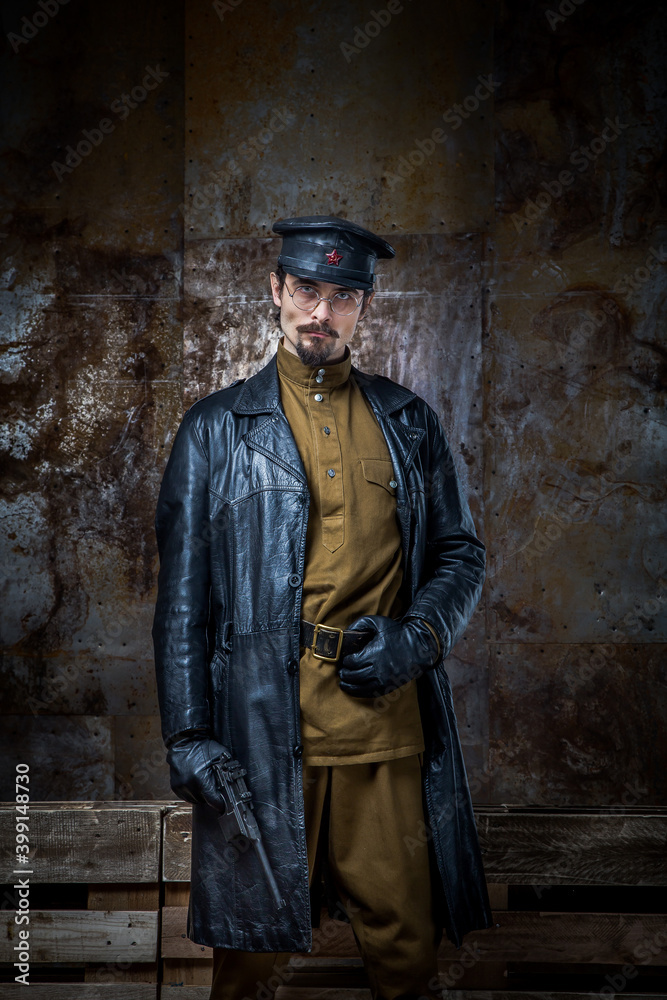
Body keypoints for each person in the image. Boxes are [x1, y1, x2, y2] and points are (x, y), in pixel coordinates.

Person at [152, 216, 493, 1000]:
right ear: (276, 289)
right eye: (306, 288)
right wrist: (188, 735)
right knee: (248, 959)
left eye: (342, 296)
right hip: (258, 735)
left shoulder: (407, 421)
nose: (320, 312)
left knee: (405, 954)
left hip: (383, 730)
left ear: (364, 307)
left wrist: (421, 635)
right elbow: (182, 603)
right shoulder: (214, 429)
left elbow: (459, 553)